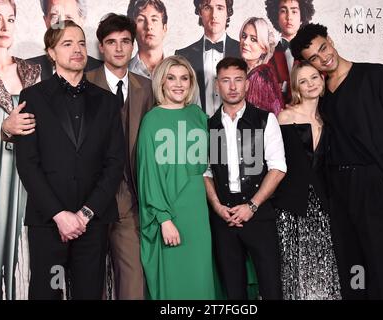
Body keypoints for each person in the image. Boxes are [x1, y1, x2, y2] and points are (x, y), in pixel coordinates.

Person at [290, 23, 383, 299]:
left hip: (373, 185)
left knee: (382, 271)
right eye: (314, 58)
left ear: (330, 40)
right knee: (352, 272)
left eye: (323, 47)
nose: (323, 58)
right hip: (338, 191)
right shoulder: (320, 94)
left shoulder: (376, 75)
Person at [15, 20, 125, 299]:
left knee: (89, 293)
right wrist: (60, 215)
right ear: (51, 52)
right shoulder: (32, 98)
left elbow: (114, 164)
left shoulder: (108, 101)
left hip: (92, 223)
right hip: (48, 222)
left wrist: (84, 214)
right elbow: (27, 163)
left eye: (80, 43)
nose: (77, 49)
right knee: (47, 293)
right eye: (67, 43)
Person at [204, 57, 286, 299]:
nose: (232, 86)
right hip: (224, 220)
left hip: (259, 217)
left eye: (238, 80)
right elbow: (206, 172)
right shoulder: (209, 126)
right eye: (226, 80)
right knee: (233, 292)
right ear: (217, 85)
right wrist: (217, 207)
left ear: (246, 84)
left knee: (271, 288)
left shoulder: (264, 120)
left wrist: (252, 206)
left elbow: (278, 168)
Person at [137, 55, 218, 299]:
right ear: (161, 82)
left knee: (200, 278)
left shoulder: (198, 116)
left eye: (184, 78)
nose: (178, 84)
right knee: (176, 284)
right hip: (171, 213)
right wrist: (164, 220)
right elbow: (148, 174)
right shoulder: (152, 120)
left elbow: (212, 166)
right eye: (171, 78)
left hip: (200, 213)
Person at [86, 13, 154, 300]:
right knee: (90, 279)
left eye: (125, 41)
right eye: (111, 42)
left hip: (129, 199)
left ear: (133, 45)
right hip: (88, 198)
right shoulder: (84, 83)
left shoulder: (147, 87)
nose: (118, 48)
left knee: (133, 278)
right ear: (101, 47)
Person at [274, 61, 341, 300]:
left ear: (323, 82)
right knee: (294, 274)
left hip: (323, 208)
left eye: (314, 78)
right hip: (291, 207)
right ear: (296, 88)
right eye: (303, 81)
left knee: (324, 272)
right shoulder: (285, 117)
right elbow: (274, 165)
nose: (310, 84)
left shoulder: (329, 121)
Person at [0, 0, 40, 300]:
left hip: (26, 176)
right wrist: (3, 128)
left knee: (26, 247)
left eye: (11, 19)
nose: (5, 26)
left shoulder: (30, 71)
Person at [175, 0, 240, 116]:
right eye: (207, 8)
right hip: (196, 128)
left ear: (227, 12)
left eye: (220, 8)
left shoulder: (243, 52)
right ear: (200, 12)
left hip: (236, 129)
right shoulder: (183, 56)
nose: (214, 15)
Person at [27, 0, 102, 80]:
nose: (62, 26)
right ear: (46, 21)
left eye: (69, 18)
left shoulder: (101, 70)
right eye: (55, 17)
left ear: (81, 21)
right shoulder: (26, 69)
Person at [265, 0, 315, 104]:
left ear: (302, 16)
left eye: (294, 11)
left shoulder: (314, 51)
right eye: (283, 11)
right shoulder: (268, 56)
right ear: (276, 16)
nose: (289, 17)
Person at [239, 17, 283, 116]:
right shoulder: (261, 72)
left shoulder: (258, 77)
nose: (245, 42)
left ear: (264, 48)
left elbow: (253, 122)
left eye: (253, 39)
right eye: (244, 36)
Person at [127, 0, 167, 79]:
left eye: (154, 20)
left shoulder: (180, 71)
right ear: (132, 29)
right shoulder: (121, 72)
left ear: (164, 28)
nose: (149, 26)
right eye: (141, 20)